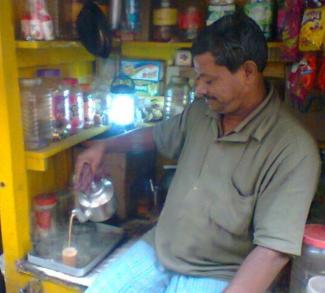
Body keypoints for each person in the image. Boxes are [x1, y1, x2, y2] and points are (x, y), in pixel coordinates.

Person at [75, 12, 320, 293]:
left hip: (217, 273)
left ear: (248, 72)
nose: (199, 88)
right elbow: (155, 136)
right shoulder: (202, 112)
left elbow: (271, 253)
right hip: (159, 249)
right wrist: (105, 146)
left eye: (210, 80)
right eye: (197, 77)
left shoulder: (292, 150)